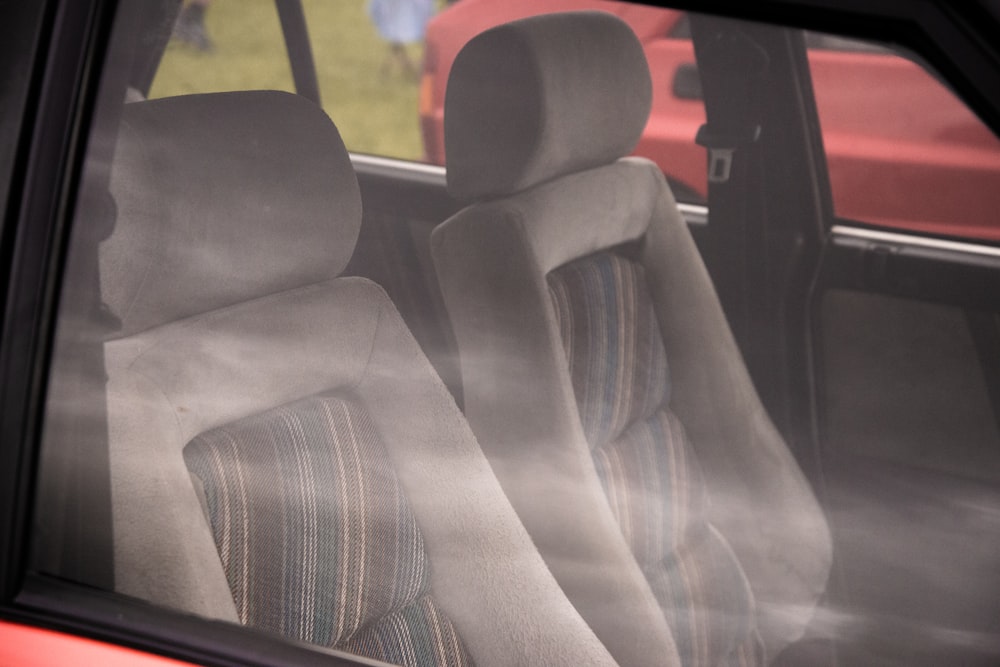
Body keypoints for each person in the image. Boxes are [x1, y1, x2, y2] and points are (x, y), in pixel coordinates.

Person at [367, 0, 435, 80]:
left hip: (395, 24)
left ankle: (416, 65)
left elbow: (375, 9)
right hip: (414, 24)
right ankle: (421, 66)